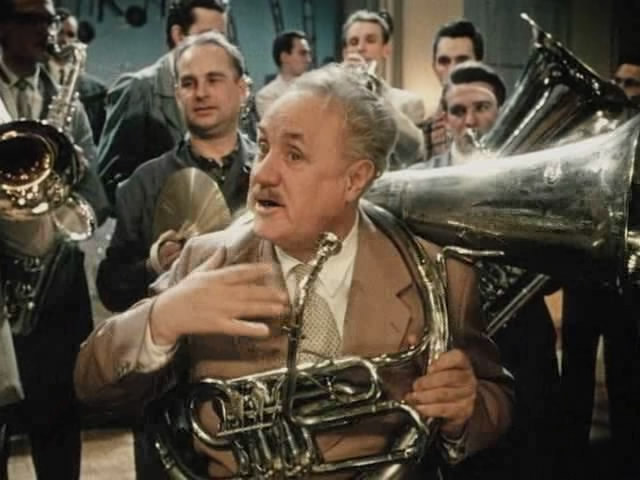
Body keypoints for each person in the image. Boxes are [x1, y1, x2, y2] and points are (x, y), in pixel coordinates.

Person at [75, 63, 513, 479]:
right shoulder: (203, 259)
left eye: (294, 155)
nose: (262, 173)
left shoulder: (437, 273)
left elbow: (495, 398)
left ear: (354, 180)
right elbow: (90, 385)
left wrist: (465, 409)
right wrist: (161, 319)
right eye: (264, 146)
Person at [413, 62, 560, 480]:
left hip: (522, 338)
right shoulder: (420, 181)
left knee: (530, 449)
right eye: (458, 111)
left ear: (502, 111)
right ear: (445, 119)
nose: (470, 120)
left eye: (482, 107)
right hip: (452, 341)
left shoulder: (534, 181)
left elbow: (556, 272)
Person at [0, 0, 109, 478]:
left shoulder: (68, 99)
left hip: (55, 278)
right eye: (30, 19)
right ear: (3, 26)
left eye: (48, 20)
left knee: (59, 422)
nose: (43, 31)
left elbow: (97, 197)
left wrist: (71, 183)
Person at [557, 58, 640, 480]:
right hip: (586, 271)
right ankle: (570, 458)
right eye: (619, 80)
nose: (624, 88)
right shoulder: (596, 131)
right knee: (575, 370)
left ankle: (625, 458)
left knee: (626, 370)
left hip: (628, 275)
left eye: (633, 82)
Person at [97, 0, 229, 206]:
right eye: (208, 37)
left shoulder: (223, 90)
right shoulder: (139, 88)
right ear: (179, 36)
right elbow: (109, 183)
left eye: (222, 39)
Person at [342, 9, 426, 168]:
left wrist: (376, 97)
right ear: (345, 53)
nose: (360, 48)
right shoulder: (330, 101)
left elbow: (416, 152)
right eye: (353, 42)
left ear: (386, 49)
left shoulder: (409, 102)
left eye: (370, 40)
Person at [421, 19, 484, 162]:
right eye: (444, 61)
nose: (453, 69)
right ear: (434, 67)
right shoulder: (425, 132)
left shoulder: (497, 122)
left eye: (462, 60)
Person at [47, 7, 107, 144]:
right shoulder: (31, 79)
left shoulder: (97, 91)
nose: (64, 40)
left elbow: (98, 140)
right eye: (59, 33)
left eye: (70, 35)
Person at [255, 30, 312, 118]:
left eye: (309, 54)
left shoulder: (320, 88)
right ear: (284, 57)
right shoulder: (267, 96)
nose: (309, 59)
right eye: (302, 53)